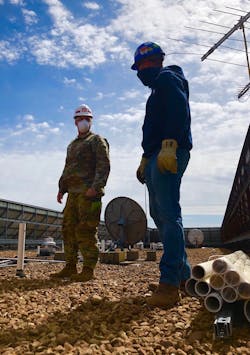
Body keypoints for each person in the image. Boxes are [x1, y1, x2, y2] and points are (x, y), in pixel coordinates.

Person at [131, 42, 193, 307]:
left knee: (168, 213)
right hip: (157, 153)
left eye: (145, 64)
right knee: (159, 214)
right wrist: (146, 156)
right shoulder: (156, 89)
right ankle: (184, 279)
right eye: (139, 67)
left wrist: (169, 143)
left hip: (170, 150)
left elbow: (180, 111)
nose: (141, 71)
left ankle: (169, 286)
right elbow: (152, 127)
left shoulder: (168, 79)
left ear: (156, 61)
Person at [51, 104, 110, 282]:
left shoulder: (97, 140)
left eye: (87, 118)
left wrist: (96, 187)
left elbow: (104, 165)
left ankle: (88, 269)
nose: (83, 121)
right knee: (68, 229)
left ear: (91, 121)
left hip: (90, 194)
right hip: (73, 194)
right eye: (80, 118)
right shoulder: (73, 144)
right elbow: (68, 168)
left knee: (86, 229)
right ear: (75, 122)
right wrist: (62, 188)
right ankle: (70, 266)